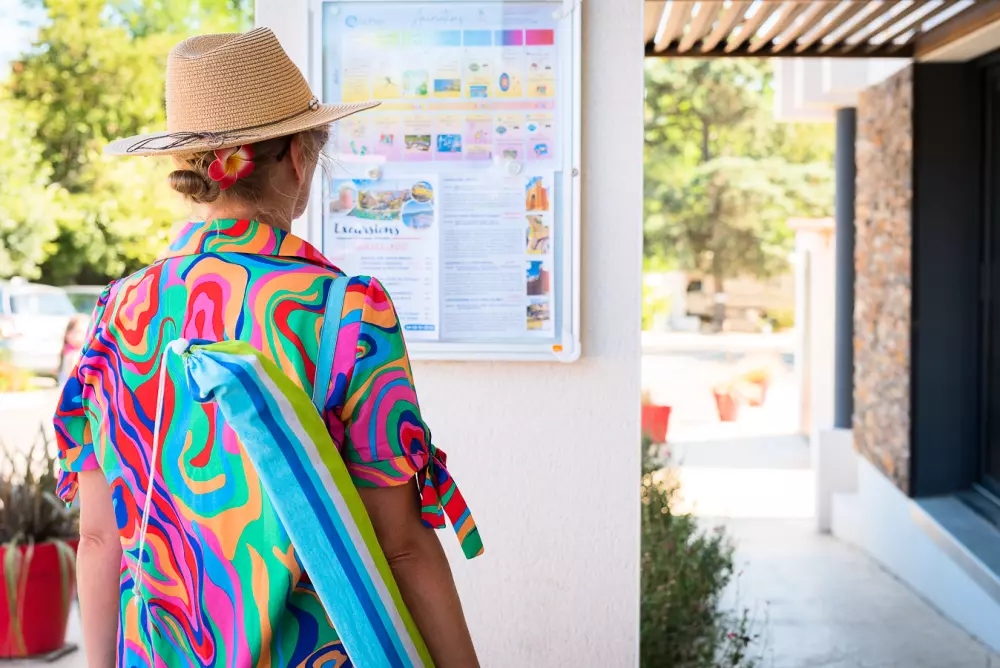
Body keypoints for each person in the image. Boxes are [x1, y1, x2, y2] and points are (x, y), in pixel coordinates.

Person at [53, 28, 480, 667]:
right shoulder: (345, 313)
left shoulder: (120, 313)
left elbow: (97, 539)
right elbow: (401, 547)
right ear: (300, 160)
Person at [56, 314, 88, 386]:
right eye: (79, 332)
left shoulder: (67, 351)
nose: (83, 335)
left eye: (86, 332)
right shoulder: (73, 355)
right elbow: (74, 379)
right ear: (68, 334)